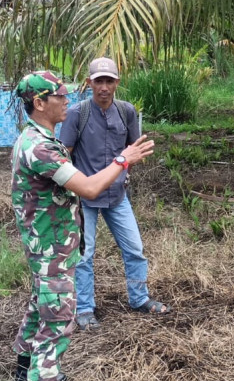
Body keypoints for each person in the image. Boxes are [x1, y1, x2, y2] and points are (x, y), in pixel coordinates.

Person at [9, 71, 154, 381]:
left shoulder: (35, 138)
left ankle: (21, 377)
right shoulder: (40, 147)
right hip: (50, 247)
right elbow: (88, 188)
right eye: (59, 96)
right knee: (58, 318)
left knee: (37, 307)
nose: (66, 102)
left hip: (48, 245)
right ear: (39, 103)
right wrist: (123, 161)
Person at [58, 57, 170, 331]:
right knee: (85, 254)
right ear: (89, 83)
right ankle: (84, 309)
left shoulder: (126, 111)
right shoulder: (77, 114)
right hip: (86, 197)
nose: (104, 87)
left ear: (117, 83)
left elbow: (133, 148)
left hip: (117, 196)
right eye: (99, 81)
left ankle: (139, 298)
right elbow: (63, 156)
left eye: (109, 81)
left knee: (135, 249)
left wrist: (127, 168)